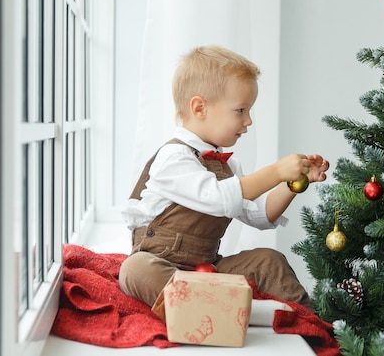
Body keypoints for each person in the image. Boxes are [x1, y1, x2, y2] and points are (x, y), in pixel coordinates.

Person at [119, 45, 329, 312]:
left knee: (269, 260)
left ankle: (310, 325)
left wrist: (292, 184)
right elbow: (218, 199)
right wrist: (275, 171)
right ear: (199, 108)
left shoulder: (228, 166)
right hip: (162, 263)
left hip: (206, 270)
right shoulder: (173, 158)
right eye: (240, 110)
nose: (249, 120)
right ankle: (200, 314)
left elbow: (259, 215)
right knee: (135, 269)